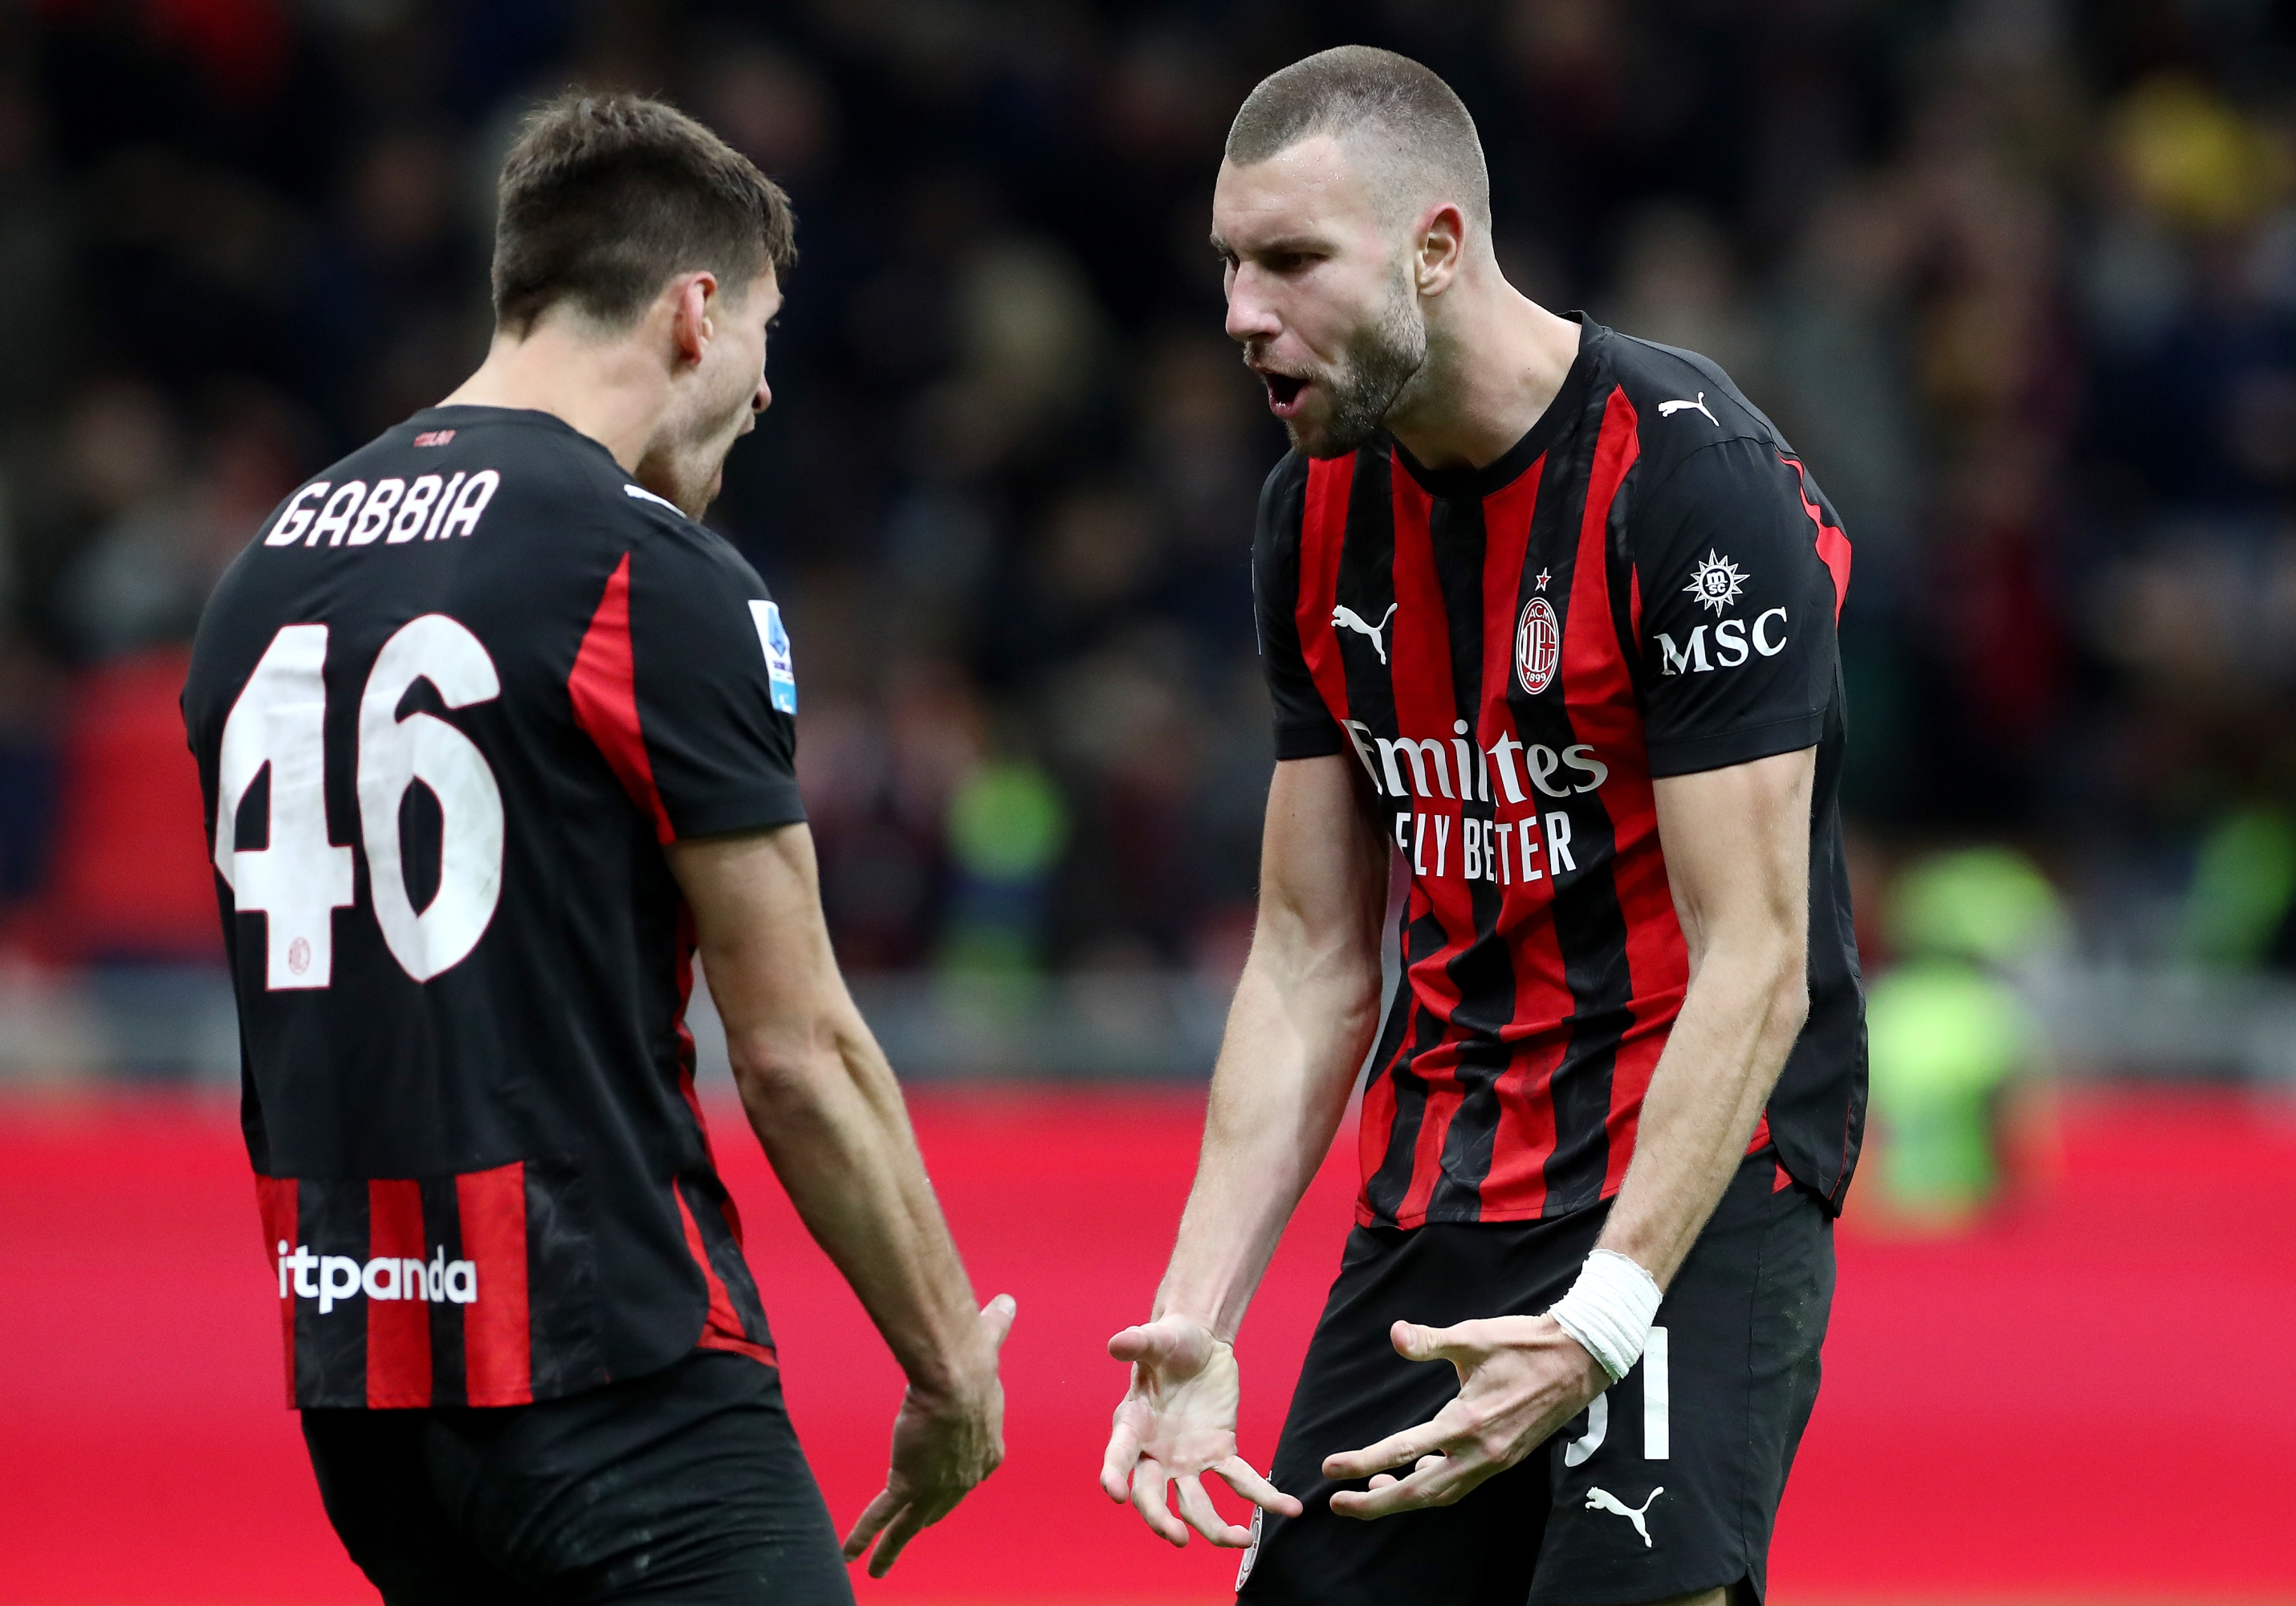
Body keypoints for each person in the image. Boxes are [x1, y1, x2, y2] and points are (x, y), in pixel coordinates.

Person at [181, 92, 1012, 1605]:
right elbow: (797, 1050)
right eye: (763, 333)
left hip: (366, 1398)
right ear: (695, 314)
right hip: (610, 1362)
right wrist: (952, 1364)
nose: (764, 394)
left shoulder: (260, 574)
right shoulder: (648, 571)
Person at [1099, 47, 1862, 1606]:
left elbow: (1757, 958)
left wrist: (1600, 1319)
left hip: (1692, 1185)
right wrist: (1198, 1311)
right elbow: (1310, 956)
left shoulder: (1691, 485)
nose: (1244, 311)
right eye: (1231, 265)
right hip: (1444, 1185)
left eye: (1292, 261)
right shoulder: (1308, 514)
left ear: (1436, 248)